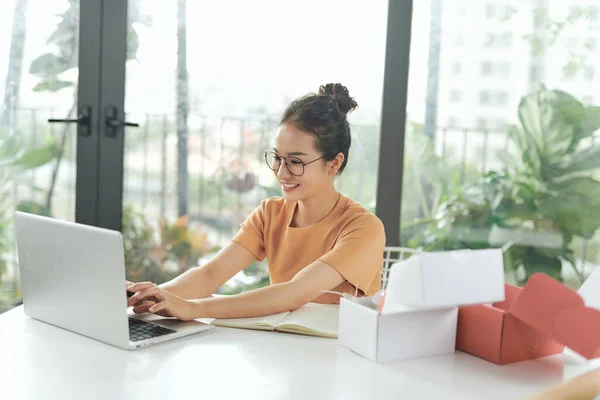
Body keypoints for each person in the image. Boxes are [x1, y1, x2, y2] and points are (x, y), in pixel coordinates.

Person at [127, 83, 386, 321]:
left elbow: (294, 293)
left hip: (342, 359)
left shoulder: (363, 228)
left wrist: (193, 308)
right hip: (279, 350)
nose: (281, 172)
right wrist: (151, 296)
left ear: (335, 162)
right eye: (277, 157)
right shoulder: (270, 214)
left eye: (296, 161)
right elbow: (210, 275)